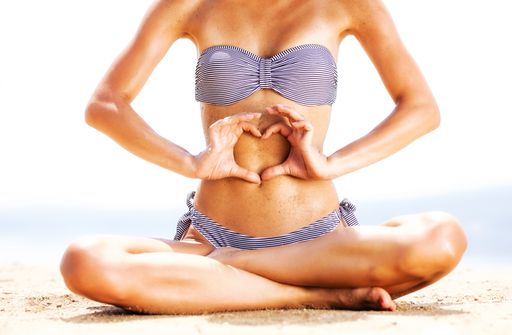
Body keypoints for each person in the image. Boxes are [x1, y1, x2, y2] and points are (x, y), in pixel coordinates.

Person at [60, 0, 467, 314]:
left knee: (443, 237)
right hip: (212, 240)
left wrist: (331, 163)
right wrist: (192, 162)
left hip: (320, 243)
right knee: (84, 261)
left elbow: (421, 109)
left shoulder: (347, 4)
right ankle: (313, 297)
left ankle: (235, 274)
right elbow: (105, 105)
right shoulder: (191, 5)